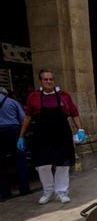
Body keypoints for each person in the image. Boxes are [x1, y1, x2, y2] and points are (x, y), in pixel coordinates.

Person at [18, 69, 86, 204]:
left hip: (62, 134)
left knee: (62, 164)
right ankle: (48, 191)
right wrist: (21, 136)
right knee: (42, 165)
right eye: (46, 79)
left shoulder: (64, 95)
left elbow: (74, 113)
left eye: (51, 79)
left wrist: (80, 129)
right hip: (41, 136)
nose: (49, 81)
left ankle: (62, 192)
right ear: (40, 81)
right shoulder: (33, 97)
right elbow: (27, 117)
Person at [0, 87, 30, 199]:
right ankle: (24, 189)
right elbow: (24, 118)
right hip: (13, 131)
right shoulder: (12, 102)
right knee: (20, 160)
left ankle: (4, 193)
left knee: (1, 164)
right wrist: (22, 136)